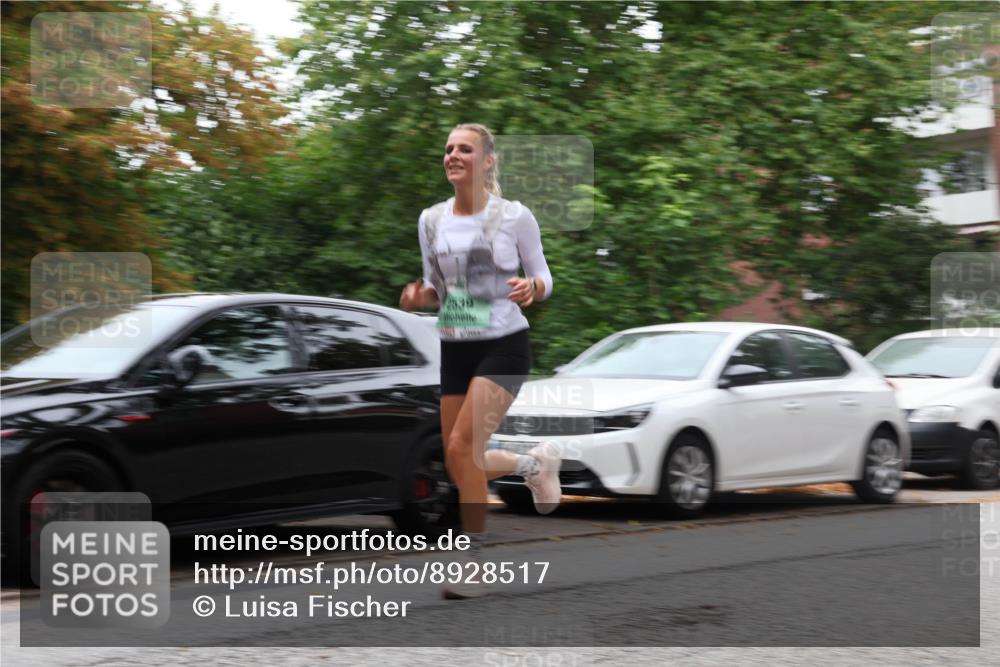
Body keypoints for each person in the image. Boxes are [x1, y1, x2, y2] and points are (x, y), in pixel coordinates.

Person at [399, 123, 560, 599]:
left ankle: (471, 560)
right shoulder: (431, 221)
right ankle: (532, 465)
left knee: (462, 446)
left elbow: (544, 275)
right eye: (448, 148)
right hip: (455, 344)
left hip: (504, 343)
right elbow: (436, 289)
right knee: (458, 459)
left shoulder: (514, 217)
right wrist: (418, 296)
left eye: (464, 149)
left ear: (487, 161)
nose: (453, 155)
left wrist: (533, 288)